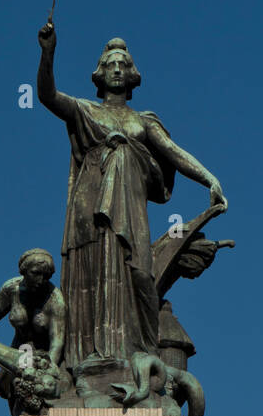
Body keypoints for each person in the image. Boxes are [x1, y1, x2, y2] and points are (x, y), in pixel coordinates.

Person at [36, 23, 226, 371]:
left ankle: (132, 352)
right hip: (90, 206)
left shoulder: (143, 121)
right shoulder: (84, 111)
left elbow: (172, 152)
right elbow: (47, 95)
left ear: (133, 74)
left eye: (123, 64)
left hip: (130, 208)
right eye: (110, 64)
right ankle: (88, 360)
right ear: (99, 73)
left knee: (137, 273)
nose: (117, 69)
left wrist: (209, 179)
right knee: (92, 276)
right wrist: (48, 53)